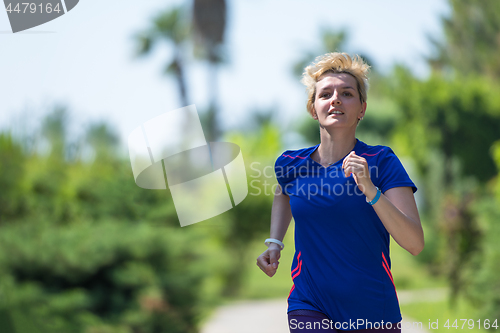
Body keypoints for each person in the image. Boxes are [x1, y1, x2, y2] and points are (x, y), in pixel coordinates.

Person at [256, 52, 424, 333]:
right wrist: (274, 242)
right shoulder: (290, 164)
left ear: (362, 109)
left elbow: (415, 243)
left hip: (372, 309)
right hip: (308, 303)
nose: (335, 99)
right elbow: (283, 194)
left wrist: (370, 190)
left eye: (346, 93)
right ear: (313, 109)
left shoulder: (381, 161)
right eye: (325, 94)